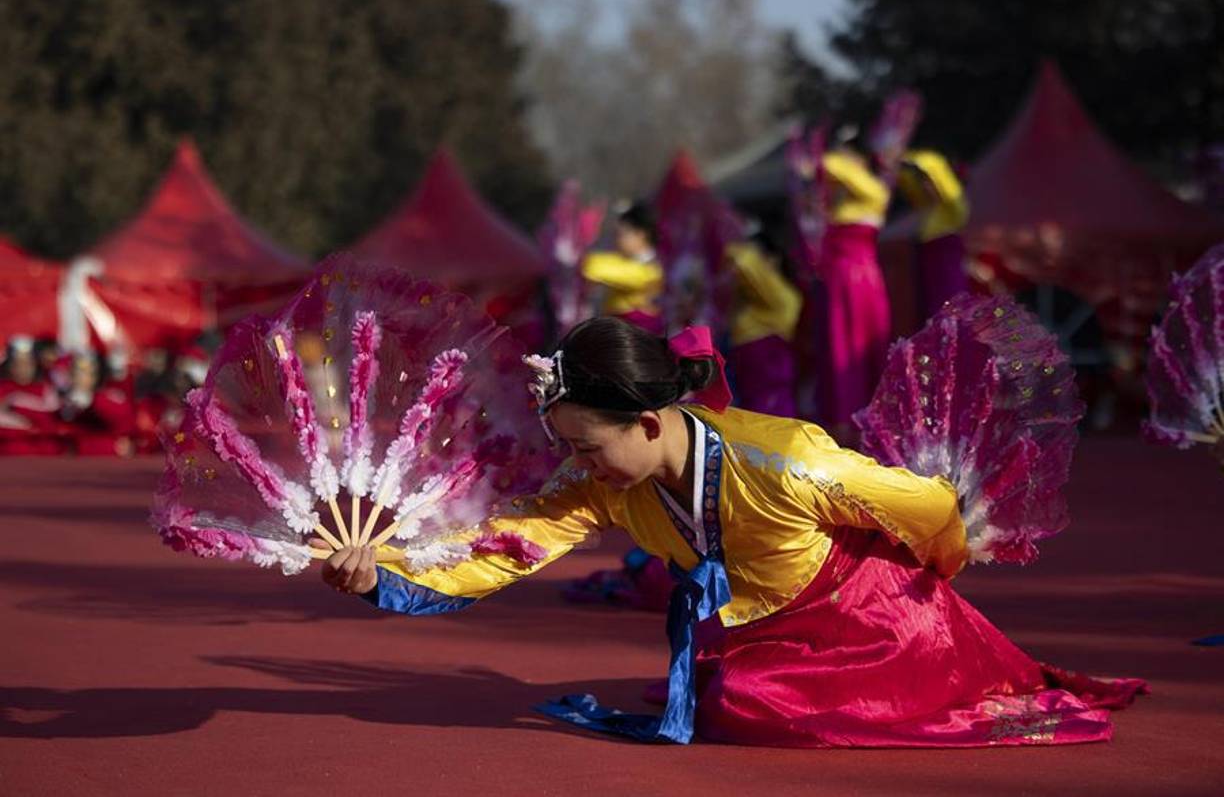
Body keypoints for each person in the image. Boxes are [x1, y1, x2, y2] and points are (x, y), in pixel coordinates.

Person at [313, 316, 1144, 748]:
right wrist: (383, 567)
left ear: (644, 422)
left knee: (739, 701)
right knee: (724, 693)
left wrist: (939, 575)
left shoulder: (785, 460)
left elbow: (927, 505)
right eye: (568, 447)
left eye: (587, 445)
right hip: (770, 624)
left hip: (877, 622)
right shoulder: (599, 487)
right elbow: (507, 544)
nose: (577, 464)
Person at [815, 128, 893, 442]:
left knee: (863, 349)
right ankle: (842, 424)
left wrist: (828, 154)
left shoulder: (873, 192)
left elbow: (824, 165)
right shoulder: (838, 205)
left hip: (860, 283)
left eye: (847, 154)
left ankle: (873, 424)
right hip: (837, 285)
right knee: (838, 349)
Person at [725, 225, 802, 417]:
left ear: (773, 259)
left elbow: (742, 260)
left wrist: (727, 228)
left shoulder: (783, 297)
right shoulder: (747, 301)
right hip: (751, 398)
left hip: (772, 403)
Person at [896, 150, 971, 319]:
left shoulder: (954, 210)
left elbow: (948, 188)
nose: (926, 187)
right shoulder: (926, 210)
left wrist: (928, 164)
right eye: (923, 182)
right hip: (929, 278)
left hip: (947, 278)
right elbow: (906, 181)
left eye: (929, 182)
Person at [581, 201, 665, 335]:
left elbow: (590, 266)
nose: (617, 240)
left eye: (621, 234)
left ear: (640, 234)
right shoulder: (625, 262)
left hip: (639, 337)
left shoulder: (653, 269)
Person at [0, 335, 63, 455]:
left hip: (41, 454)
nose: (22, 369)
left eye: (28, 364)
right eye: (17, 364)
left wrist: (16, 402)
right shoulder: (2, 388)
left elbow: (50, 422)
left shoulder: (46, 389)